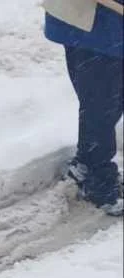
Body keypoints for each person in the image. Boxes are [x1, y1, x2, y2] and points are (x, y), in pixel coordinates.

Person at [44, 0, 123, 216]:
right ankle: (97, 179)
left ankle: (86, 164)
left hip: (108, 26)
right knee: (102, 103)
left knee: (110, 101)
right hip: (92, 27)